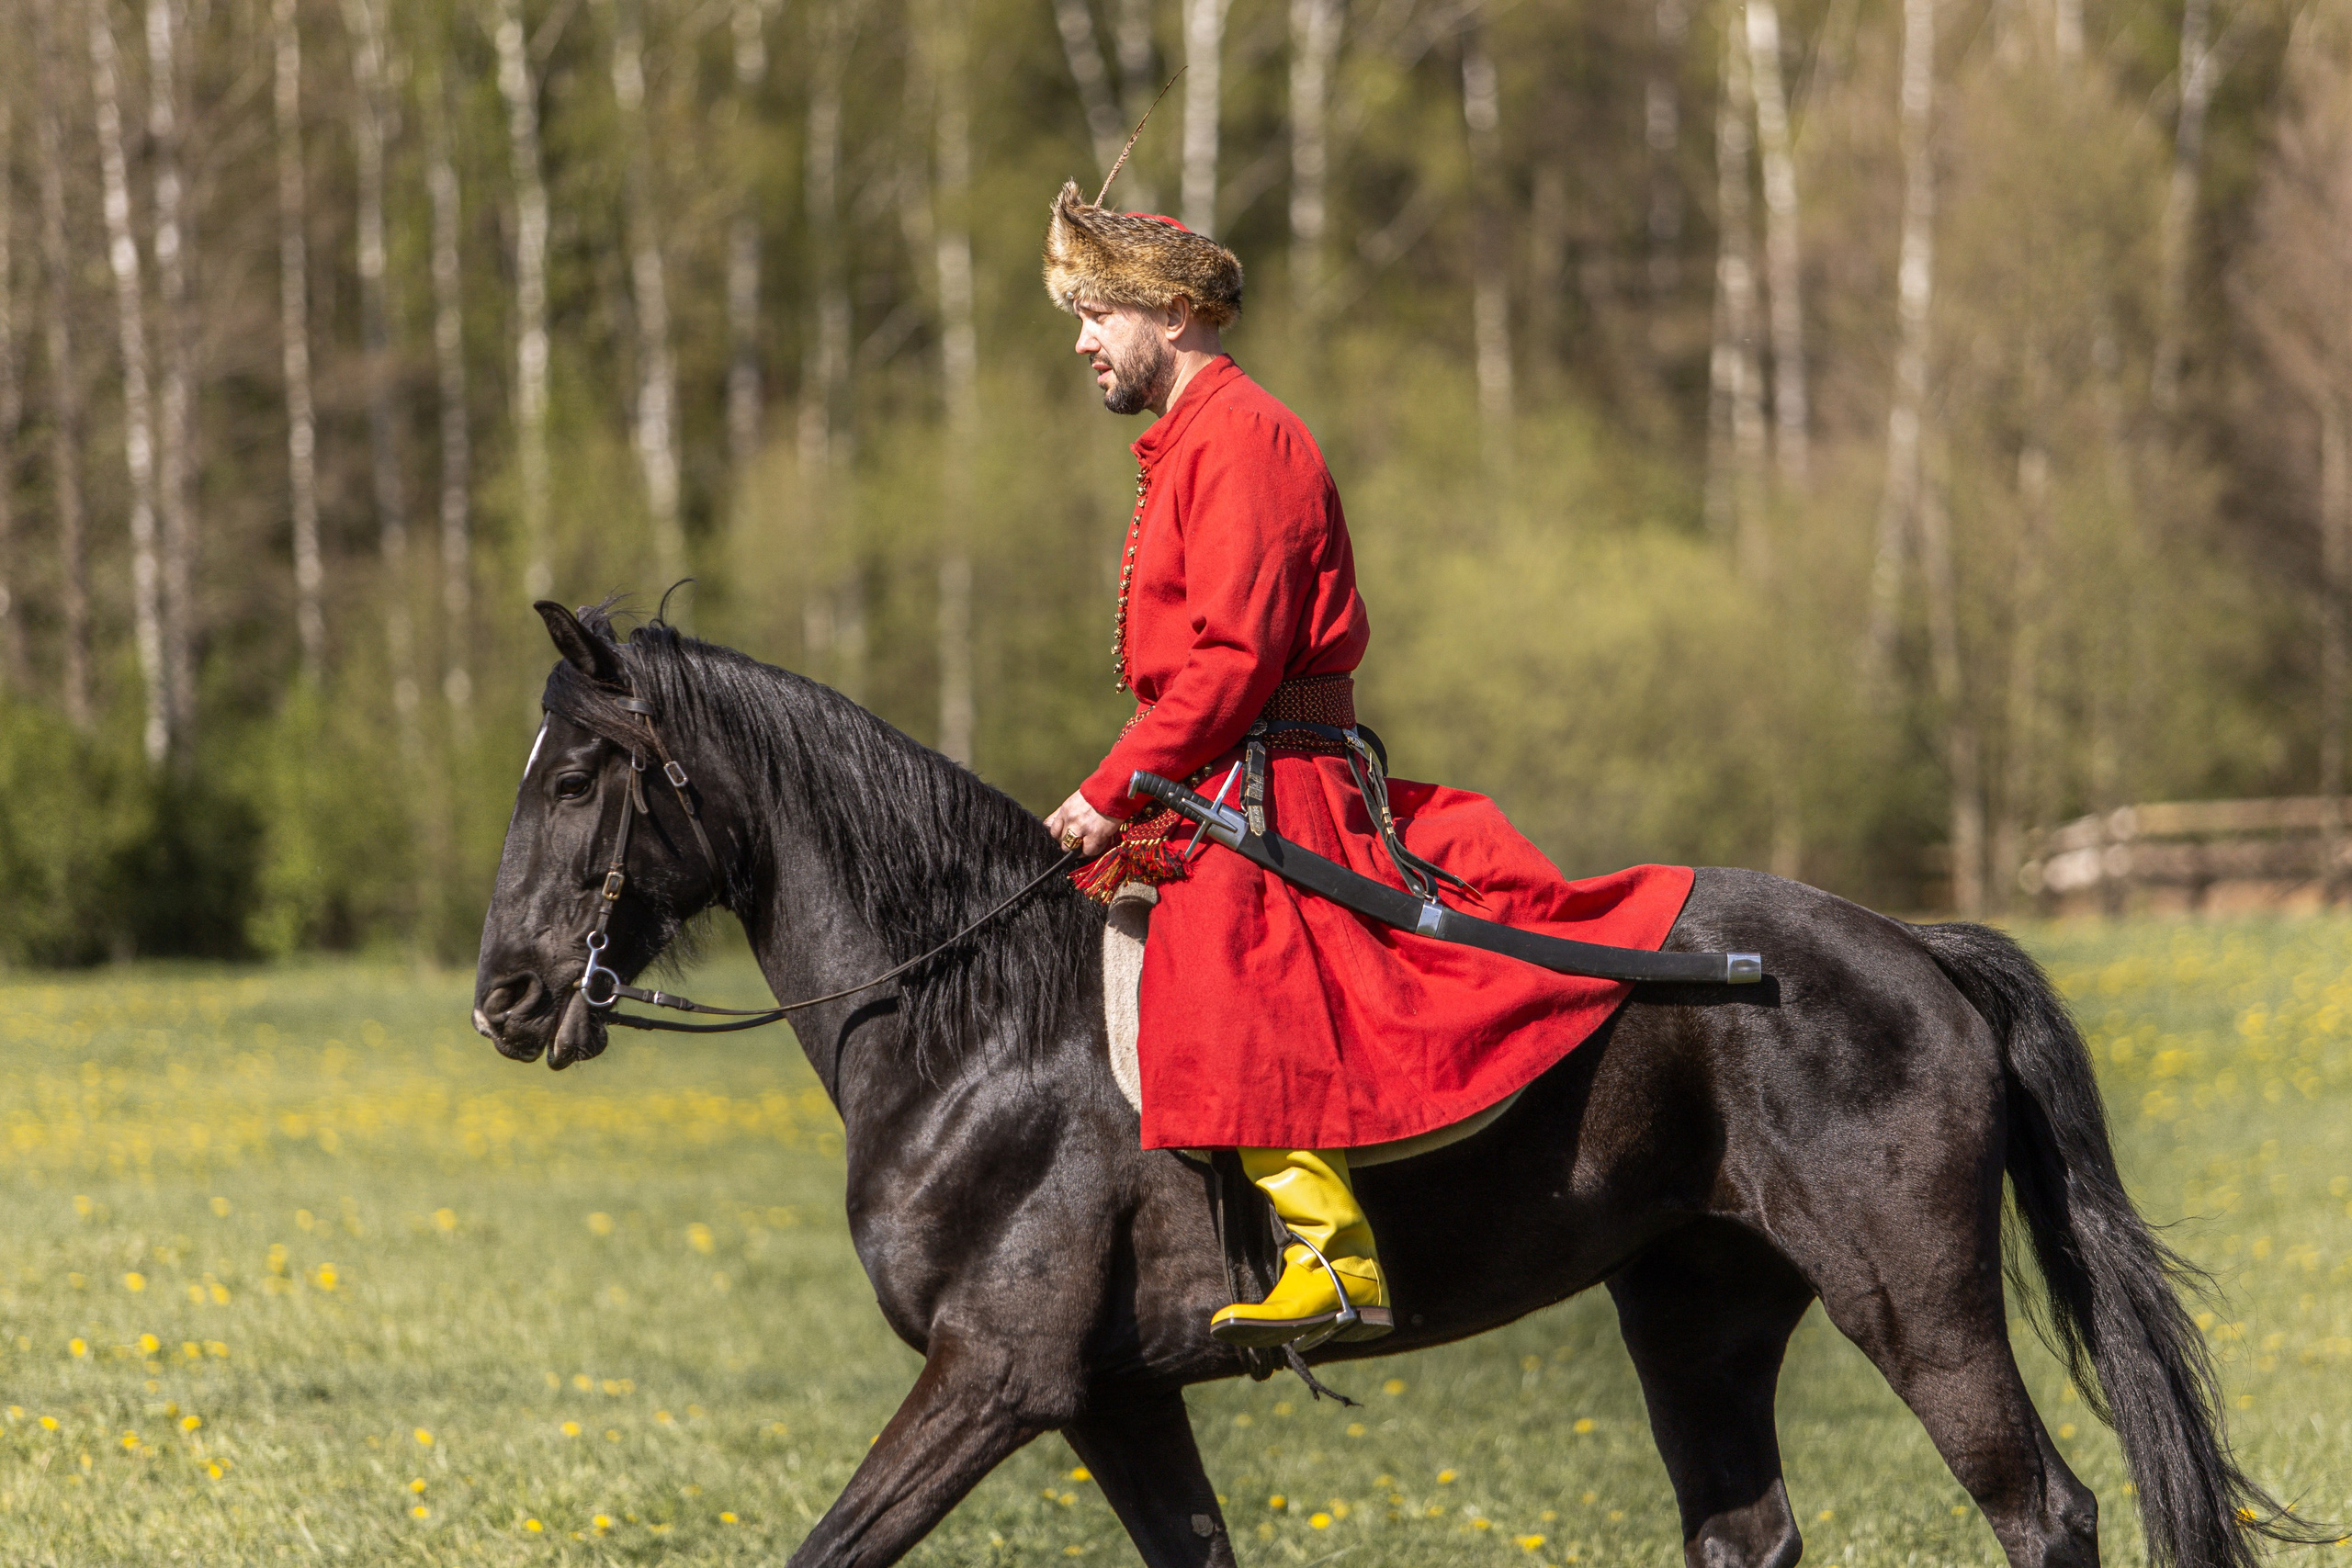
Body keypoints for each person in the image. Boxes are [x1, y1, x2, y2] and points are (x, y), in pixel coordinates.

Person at [1037, 182, 1692, 1349]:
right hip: (1220, 768)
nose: (1082, 340)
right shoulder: (1189, 439)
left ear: (1175, 311)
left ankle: (1332, 1259)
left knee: (1222, 966)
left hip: (1268, 776)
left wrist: (1107, 788)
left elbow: (1234, 658)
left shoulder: (1242, 435)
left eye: (1095, 312)